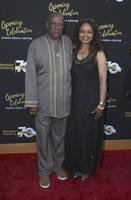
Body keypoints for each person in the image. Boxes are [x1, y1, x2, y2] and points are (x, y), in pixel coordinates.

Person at [25, 12, 73, 188]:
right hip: (43, 103)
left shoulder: (69, 43)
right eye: (54, 23)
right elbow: (30, 75)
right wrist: (32, 102)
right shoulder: (35, 45)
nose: (57, 27)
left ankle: (58, 165)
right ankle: (44, 171)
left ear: (63, 26)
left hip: (63, 101)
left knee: (59, 137)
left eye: (60, 24)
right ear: (47, 24)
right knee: (43, 139)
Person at [64, 19, 107, 180]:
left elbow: (103, 81)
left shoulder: (99, 52)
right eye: (82, 31)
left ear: (94, 34)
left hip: (91, 101)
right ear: (78, 33)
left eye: (89, 32)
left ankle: (86, 168)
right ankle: (74, 166)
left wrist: (101, 104)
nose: (85, 35)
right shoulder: (73, 52)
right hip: (74, 101)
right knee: (74, 134)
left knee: (87, 135)